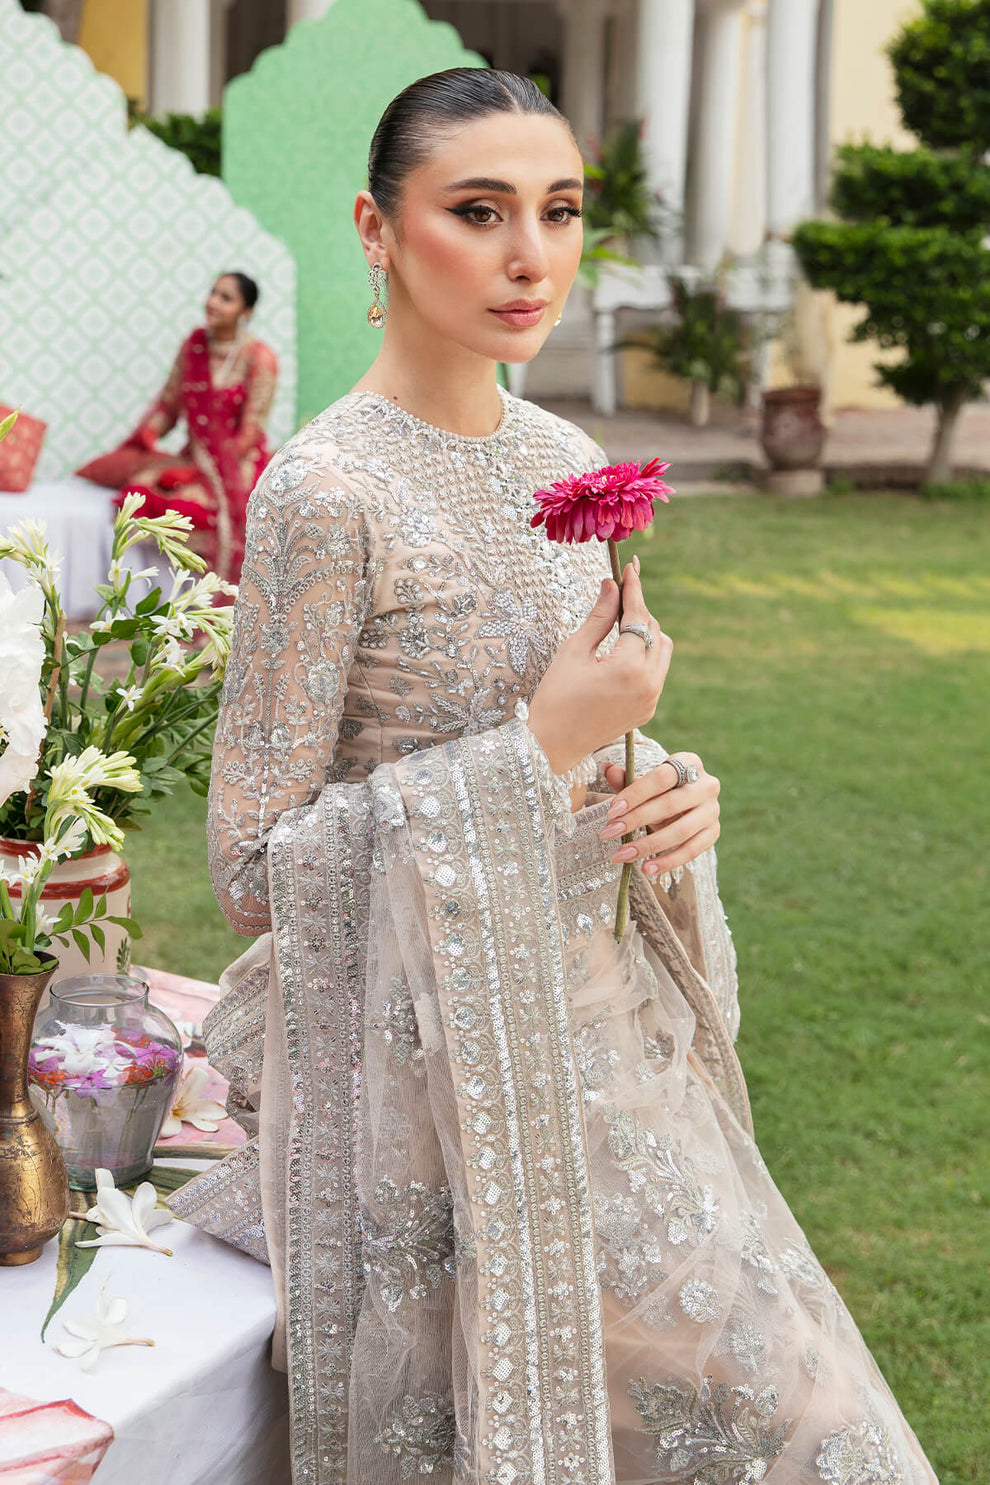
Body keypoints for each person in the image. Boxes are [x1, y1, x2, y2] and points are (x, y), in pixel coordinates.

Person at [171, 71, 937, 1485]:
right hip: (418, 1069)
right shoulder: (323, 493)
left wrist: (665, 791)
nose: (532, 255)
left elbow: (586, 749)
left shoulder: (563, 459)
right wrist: (538, 750)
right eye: (478, 211)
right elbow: (250, 865)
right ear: (377, 229)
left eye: (560, 211)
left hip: (603, 1041)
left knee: (817, 1438)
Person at [78, 272, 276, 583]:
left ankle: (210, 601)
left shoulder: (259, 358)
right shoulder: (193, 347)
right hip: (194, 456)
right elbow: (169, 405)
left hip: (237, 465)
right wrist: (150, 433)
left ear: (246, 312)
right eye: (213, 293)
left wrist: (198, 474)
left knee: (194, 510)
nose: (212, 302)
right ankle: (150, 603)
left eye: (225, 298)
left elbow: (250, 432)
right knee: (136, 500)